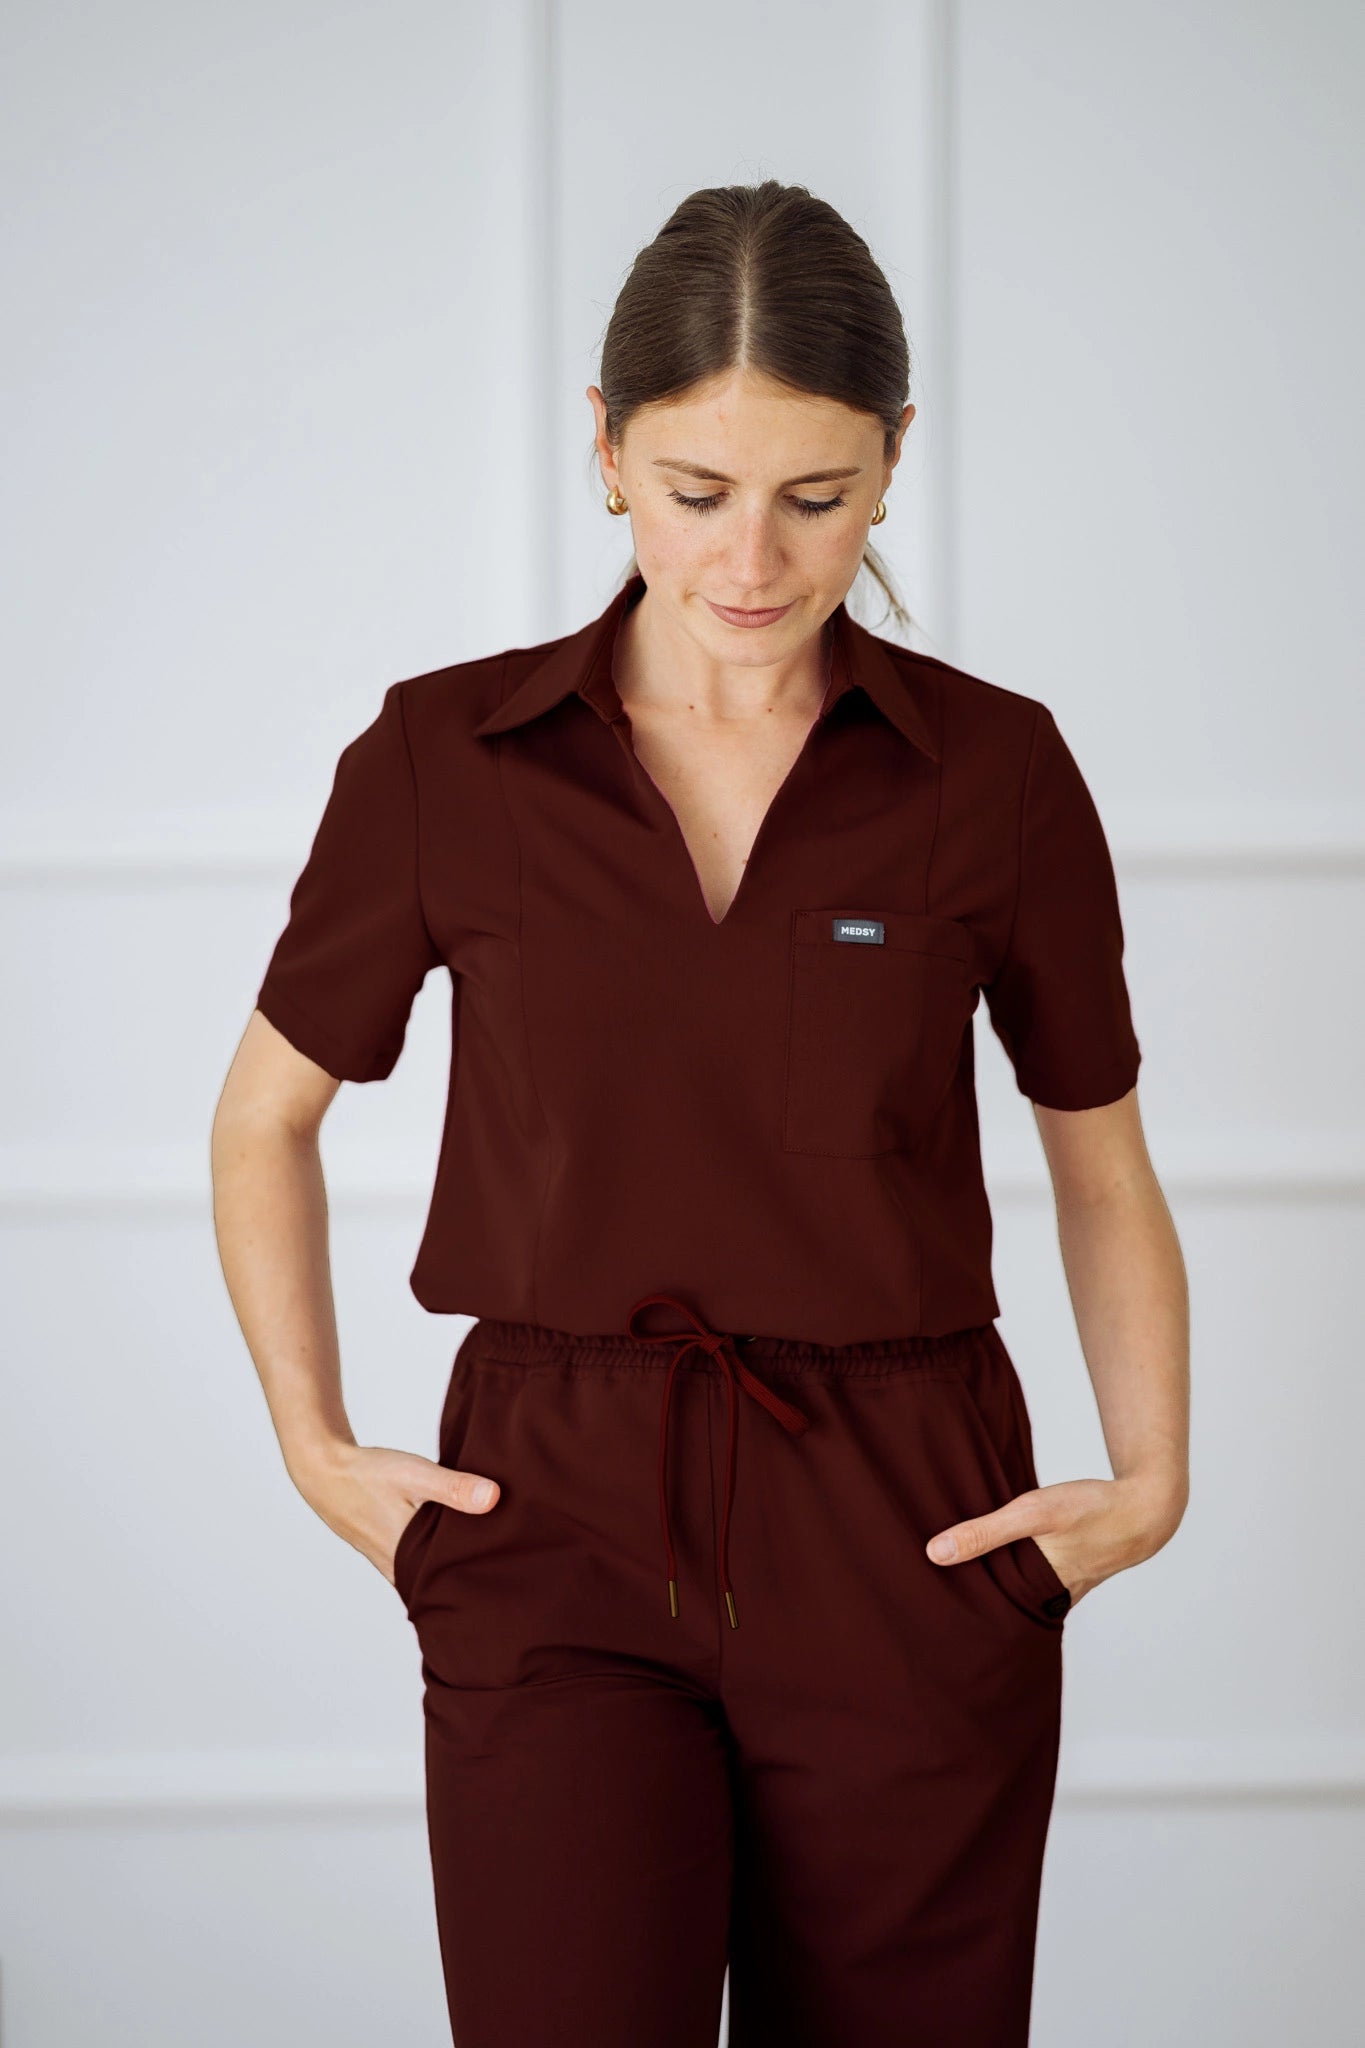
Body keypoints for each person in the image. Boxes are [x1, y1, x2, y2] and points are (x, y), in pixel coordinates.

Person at [211, 180, 1190, 2048]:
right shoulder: (443, 759)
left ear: (893, 459)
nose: (752, 557)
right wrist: (315, 1451)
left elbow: (1099, 1158)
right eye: (695, 490)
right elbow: (263, 1119)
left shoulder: (994, 770)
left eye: (815, 496)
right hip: (551, 1505)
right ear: (604, 452)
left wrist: (1146, 1487)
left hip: (907, 1514)